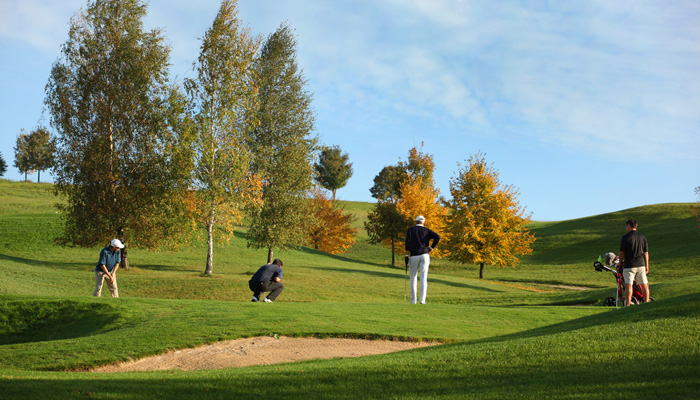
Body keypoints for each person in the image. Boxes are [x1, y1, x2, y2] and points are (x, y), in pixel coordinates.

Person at [405, 215, 440, 304]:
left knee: (413, 278)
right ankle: (422, 300)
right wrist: (431, 248)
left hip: (414, 255)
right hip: (425, 255)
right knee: (423, 278)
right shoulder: (427, 230)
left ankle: (413, 301)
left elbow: (407, 243)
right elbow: (437, 237)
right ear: (423, 222)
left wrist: (406, 256)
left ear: (416, 222)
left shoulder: (410, 230)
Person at [618, 219, 650, 306]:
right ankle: (646, 302)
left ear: (628, 226)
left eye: (626, 226)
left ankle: (628, 304)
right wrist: (647, 265)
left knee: (628, 285)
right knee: (644, 284)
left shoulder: (625, 237)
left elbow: (621, 253)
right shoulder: (642, 237)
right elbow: (646, 253)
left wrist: (620, 262)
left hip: (629, 265)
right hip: (641, 265)